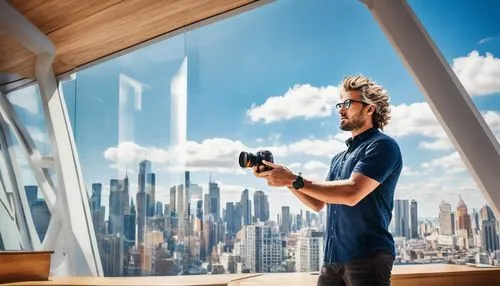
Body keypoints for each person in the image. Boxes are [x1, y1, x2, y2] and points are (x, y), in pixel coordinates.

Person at [253, 75, 403, 286]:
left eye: (348, 103)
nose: (341, 109)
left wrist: (293, 178)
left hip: (367, 258)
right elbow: (317, 202)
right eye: (340, 104)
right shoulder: (338, 159)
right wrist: (284, 179)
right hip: (332, 261)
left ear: (370, 109)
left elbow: (352, 193)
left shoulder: (382, 146)